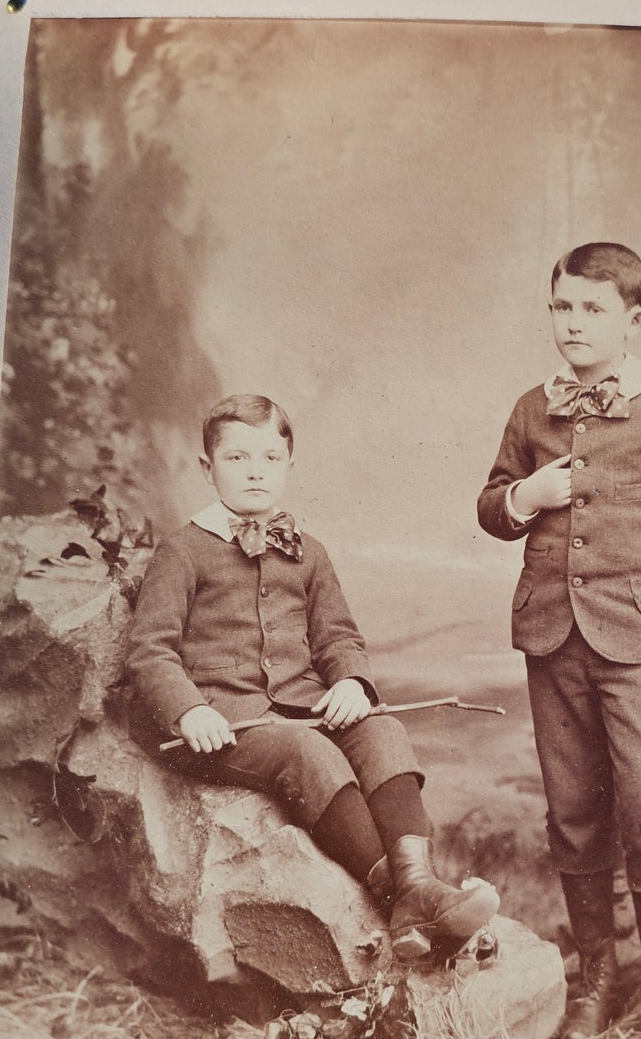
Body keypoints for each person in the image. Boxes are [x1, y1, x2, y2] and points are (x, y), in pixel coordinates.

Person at [127, 393, 497, 962]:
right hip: (219, 723)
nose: (256, 472)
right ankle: (412, 897)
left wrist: (350, 683)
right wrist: (189, 709)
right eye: (238, 458)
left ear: (289, 465)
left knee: (381, 732)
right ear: (208, 468)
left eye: (271, 459)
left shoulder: (309, 552)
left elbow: (338, 639)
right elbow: (151, 652)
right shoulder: (183, 552)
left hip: (299, 705)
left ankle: (416, 889)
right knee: (307, 752)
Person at [476, 243, 641, 1039]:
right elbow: (488, 503)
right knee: (574, 811)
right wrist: (523, 496)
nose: (574, 323)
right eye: (562, 306)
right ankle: (597, 977)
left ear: (632, 319)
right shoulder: (530, 408)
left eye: (593, 308)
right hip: (553, 639)